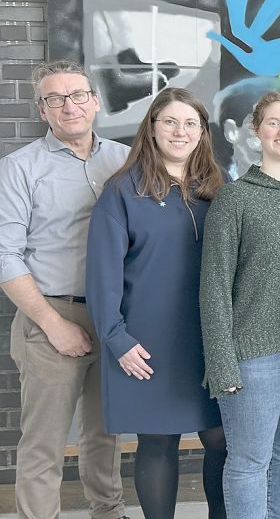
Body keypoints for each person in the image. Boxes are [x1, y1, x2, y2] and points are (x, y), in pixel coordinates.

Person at [85, 88, 228, 519]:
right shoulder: (122, 192)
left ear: (203, 133)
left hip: (209, 340)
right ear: (151, 128)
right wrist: (116, 339)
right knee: (158, 441)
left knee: (223, 439)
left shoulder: (219, 191)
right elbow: (102, 276)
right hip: (144, 343)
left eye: (190, 124)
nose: (180, 132)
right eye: (169, 121)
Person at [0, 60, 129, 519]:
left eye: (77, 95)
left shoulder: (125, 160)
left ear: (94, 101)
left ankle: (108, 511)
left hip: (113, 316)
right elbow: (5, 256)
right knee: (45, 439)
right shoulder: (19, 168)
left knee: (104, 432)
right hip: (49, 316)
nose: (68, 106)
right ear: (43, 111)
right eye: (55, 99)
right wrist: (54, 325)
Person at [200, 91, 280, 519]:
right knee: (249, 462)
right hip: (252, 353)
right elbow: (214, 287)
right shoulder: (234, 199)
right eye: (273, 122)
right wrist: (221, 363)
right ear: (256, 131)